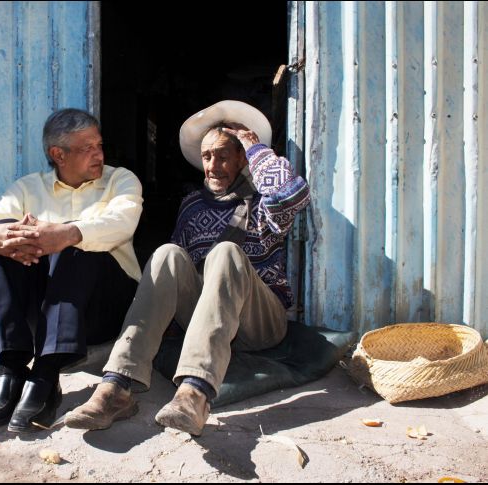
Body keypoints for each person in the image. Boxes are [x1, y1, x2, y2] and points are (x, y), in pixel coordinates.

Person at [64, 100, 311, 436]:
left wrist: (256, 147)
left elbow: (292, 196)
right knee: (167, 253)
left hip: (259, 324)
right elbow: (177, 274)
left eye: (224, 155)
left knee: (225, 253)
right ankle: (116, 386)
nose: (214, 165)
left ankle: (195, 392)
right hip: (211, 318)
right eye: (207, 156)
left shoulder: (262, 199)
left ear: (241, 159)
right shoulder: (192, 204)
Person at [0, 108, 142, 433]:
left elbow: (121, 223)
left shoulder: (120, 180)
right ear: (57, 154)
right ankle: (11, 370)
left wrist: (63, 234)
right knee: (3, 237)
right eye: (87, 148)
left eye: (100, 145)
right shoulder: (27, 188)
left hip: (104, 307)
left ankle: (46, 375)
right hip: (45, 312)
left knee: (77, 240)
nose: (98, 154)